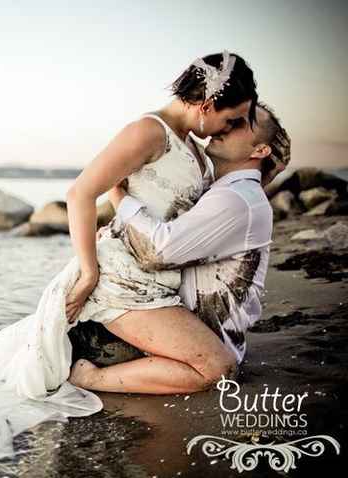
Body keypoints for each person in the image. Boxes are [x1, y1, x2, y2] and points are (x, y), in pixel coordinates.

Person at [0, 51, 258, 464]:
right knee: (216, 367)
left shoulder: (192, 144)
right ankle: (87, 377)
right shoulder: (148, 132)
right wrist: (88, 272)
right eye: (232, 118)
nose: (232, 127)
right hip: (123, 280)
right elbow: (80, 193)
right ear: (206, 106)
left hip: (156, 280)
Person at [68, 102, 291, 393]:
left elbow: (159, 252)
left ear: (260, 150)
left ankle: (89, 379)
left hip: (202, 333)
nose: (226, 125)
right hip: (173, 319)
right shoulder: (221, 189)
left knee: (218, 371)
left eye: (240, 124)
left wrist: (117, 195)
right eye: (231, 118)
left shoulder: (237, 199)